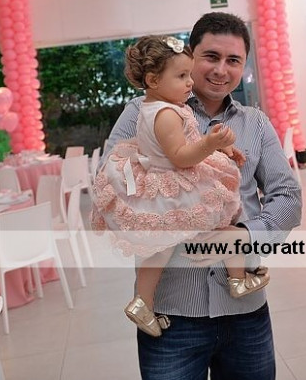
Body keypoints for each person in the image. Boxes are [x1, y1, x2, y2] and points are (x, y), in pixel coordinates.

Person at [103, 12, 301, 380]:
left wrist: (247, 236)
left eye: (233, 60)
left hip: (245, 313)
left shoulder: (255, 123)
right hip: (171, 312)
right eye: (211, 56)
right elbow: (110, 185)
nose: (221, 70)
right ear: (191, 55)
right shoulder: (142, 112)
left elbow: (288, 195)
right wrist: (167, 217)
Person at [92, 35, 271, 338]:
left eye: (188, 74)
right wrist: (210, 143)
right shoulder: (166, 114)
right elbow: (181, 155)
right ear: (153, 80)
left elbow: (182, 144)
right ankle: (238, 279)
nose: (190, 82)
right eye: (182, 76)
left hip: (164, 179)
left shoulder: (155, 107)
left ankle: (142, 301)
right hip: (177, 183)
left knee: (159, 251)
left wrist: (221, 147)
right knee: (225, 222)